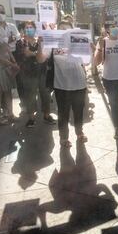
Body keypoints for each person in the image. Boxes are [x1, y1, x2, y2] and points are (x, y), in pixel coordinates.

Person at [43, 20, 88, 148]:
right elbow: (41, 58)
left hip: (79, 84)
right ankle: (64, 138)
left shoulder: (78, 41)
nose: (64, 31)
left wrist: (86, 48)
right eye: (61, 29)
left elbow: (87, 62)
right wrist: (42, 42)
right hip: (61, 86)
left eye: (67, 29)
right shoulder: (53, 43)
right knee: (63, 113)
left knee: (79, 111)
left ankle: (79, 133)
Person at [15, 21, 55, 128]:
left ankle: (46, 115)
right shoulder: (21, 42)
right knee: (30, 96)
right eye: (27, 27)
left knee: (45, 95)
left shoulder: (40, 40)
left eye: (31, 27)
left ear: (35, 29)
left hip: (42, 72)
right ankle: (31, 118)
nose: (29, 29)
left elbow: (44, 56)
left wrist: (33, 53)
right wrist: (36, 54)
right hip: (28, 74)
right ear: (23, 30)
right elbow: (24, 54)